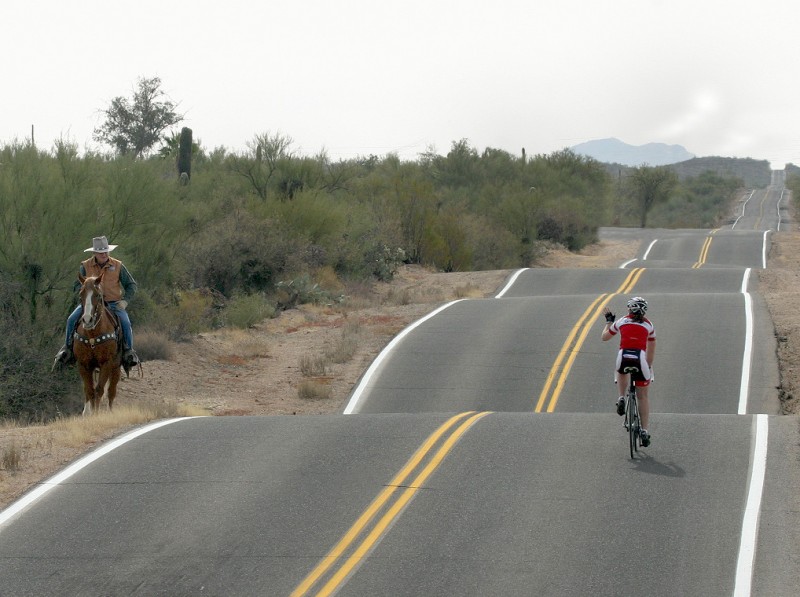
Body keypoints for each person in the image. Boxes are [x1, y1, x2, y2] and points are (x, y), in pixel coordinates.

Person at [54, 236, 139, 370]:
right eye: (100, 252)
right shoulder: (85, 266)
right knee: (71, 320)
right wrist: (85, 294)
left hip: (113, 303)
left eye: (105, 251)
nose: (104, 254)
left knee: (126, 323)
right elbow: (76, 285)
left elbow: (131, 285)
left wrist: (125, 301)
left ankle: (128, 352)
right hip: (91, 305)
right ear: (94, 253)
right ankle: (67, 349)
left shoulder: (118, 266)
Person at [601, 296, 656, 447]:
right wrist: (648, 366)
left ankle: (621, 397)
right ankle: (644, 430)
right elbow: (651, 352)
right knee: (642, 396)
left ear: (630, 309)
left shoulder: (621, 321)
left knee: (621, 371)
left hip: (623, 356)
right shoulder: (649, 325)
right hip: (640, 359)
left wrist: (609, 322)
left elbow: (604, 337)